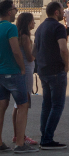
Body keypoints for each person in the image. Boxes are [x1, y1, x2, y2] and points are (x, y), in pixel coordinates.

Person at [34, 1, 69, 150]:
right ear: (56, 12)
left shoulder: (40, 27)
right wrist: (66, 65)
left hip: (43, 70)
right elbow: (63, 49)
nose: (64, 12)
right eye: (62, 10)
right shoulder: (58, 27)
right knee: (57, 105)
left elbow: (34, 50)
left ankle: (44, 136)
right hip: (56, 71)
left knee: (46, 105)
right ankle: (47, 139)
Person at [0, 0, 32, 153]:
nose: (15, 12)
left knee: (1, 107)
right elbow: (15, 50)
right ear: (8, 12)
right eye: (14, 9)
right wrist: (22, 68)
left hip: (0, 72)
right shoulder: (11, 28)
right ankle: (20, 143)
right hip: (12, 71)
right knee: (22, 105)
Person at [11, 12, 36, 148]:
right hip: (26, 71)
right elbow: (30, 56)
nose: (34, 23)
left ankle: (17, 135)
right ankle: (21, 136)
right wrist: (37, 52)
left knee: (18, 104)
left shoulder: (18, 35)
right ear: (27, 22)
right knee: (23, 104)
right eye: (32, 21)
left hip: (21, 71)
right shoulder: (25, 37)